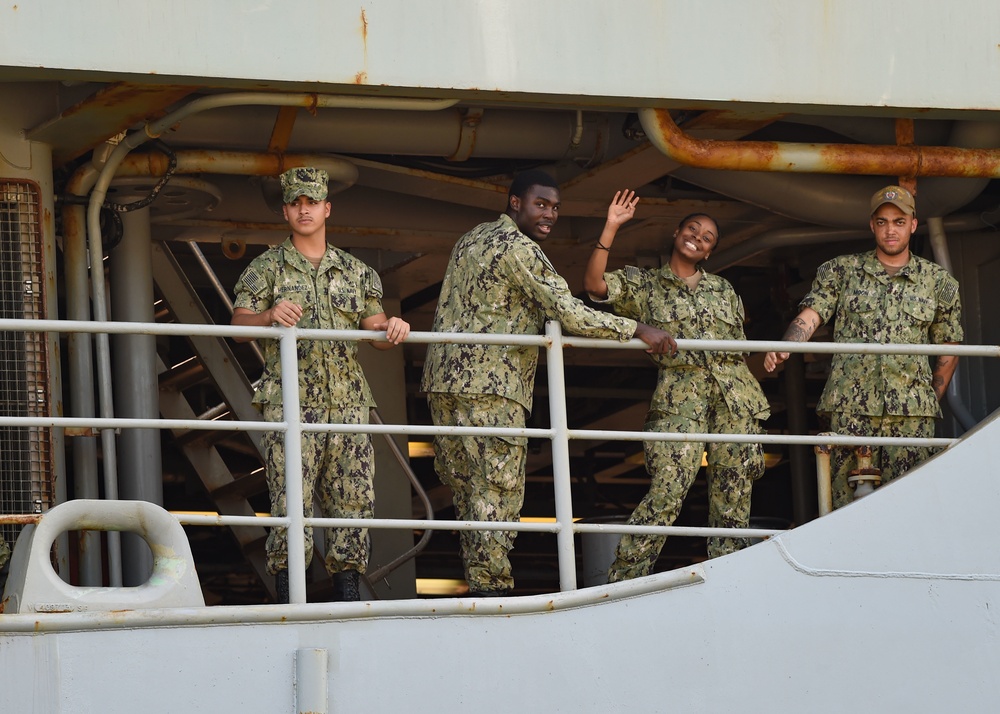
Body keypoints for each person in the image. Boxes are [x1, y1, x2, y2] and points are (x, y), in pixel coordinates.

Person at [421, 170, 677, 597]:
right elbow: (570, 312)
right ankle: (492, 595)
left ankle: (480, 587)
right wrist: (636, 328)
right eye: (541, 204)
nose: (550, 215)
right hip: (492, 385)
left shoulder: (471, 238)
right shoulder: (519, 248)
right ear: (515, 202)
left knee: (467, 493)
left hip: (443, 382)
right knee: (495, 495)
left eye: (555, 208)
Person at [232, 166, 410, 603]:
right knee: (290, 501)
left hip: (348, 402)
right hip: (291, 403)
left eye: (312, 202)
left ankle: (347, 595)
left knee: (354, 501)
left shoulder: (356, 272)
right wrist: (269, 316)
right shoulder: (267, 267)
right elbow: (238, 327)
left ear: (327, 208)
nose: (304, 209)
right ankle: (291, 598)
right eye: (296, 202)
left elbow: (375, 328)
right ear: (285, 211)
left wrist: (394, 326)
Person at [584, 198, 770, 582]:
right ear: (676, 233)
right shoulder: (646, 284)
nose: (697, 238)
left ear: (710, 250)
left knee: (733, 498)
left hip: (736, 402)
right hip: (679, 401)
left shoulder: (723, 289)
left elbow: (738, 349)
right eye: (692, 230)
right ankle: (626, 578)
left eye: (707, 238)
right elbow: (594, 286)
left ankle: (729, 579)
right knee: (668, 491)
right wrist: (611, 226)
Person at [764, 184, 962, 509]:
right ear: (872, 225)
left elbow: (949, 345)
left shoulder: (939, 282)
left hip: (911, 415)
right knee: (846, 505)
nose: (890, 229)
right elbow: (813, 313)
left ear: (913, 224)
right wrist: (787, 344)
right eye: (882, 221)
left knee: (910, 503)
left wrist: (925, 398)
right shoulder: (842, 271)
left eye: (899, 221)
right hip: (851, 408)